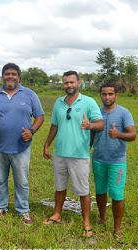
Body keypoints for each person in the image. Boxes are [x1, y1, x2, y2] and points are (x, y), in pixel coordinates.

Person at [43, 70, 103, 237]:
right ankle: (57, 214)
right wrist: (47, 144)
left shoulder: (89, 102)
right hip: (60, 153)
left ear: (79, 83)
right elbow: (54, 125)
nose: (69, 85)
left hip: (79, 154)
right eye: (66, 83)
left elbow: (101, 124)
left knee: (83, 190)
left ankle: (86, 222)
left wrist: (90, 125)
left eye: (71, 82)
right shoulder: (58, 102)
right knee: (60, 186)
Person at [0, 63, 44, 225]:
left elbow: (39, 117)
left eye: (13, 74)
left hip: (21, 148)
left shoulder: (29, 95)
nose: (10, 77)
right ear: (2, 77)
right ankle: (0, 206)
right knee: (0, 179)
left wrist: (31, 131)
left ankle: (23, 209)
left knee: (22, 181)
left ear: (19, 77)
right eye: (7, 74)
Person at [92, 83, 136, 242]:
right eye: (104, 94)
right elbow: (92, 133)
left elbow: (133, 135)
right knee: (100, 191)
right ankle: (102, 219)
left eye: (110, 94)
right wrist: (86, 149)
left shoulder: (124, 113)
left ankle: (117, 228)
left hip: (117, 161)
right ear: (100, 95)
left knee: (117, 194)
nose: (107, 97)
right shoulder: (96, 112)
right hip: (98, 159)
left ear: (116, 95)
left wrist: (118, 134)